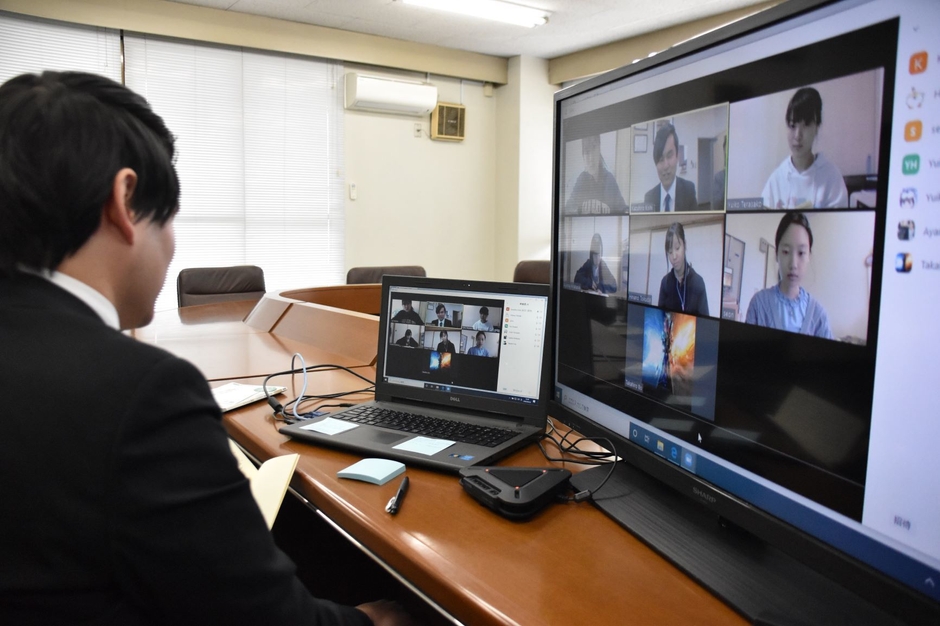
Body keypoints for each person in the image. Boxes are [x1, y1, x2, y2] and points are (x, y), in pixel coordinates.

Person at [0, 71, 411, 626]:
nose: (172, 243)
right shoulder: (140, 391)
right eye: (170, 218)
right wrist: (374, 620)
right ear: (124, 201)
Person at [745, 212, 832, 338]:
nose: (793, 264)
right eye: (786, 252)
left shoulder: (819, 316)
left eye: (801, 253)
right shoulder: (758, 304)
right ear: (777, 254)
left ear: (809, 256)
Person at [761, 87, 848, 210]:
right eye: (792, 126)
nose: (797, 136)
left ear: (817, 127)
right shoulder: (777, 179)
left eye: (806, 125)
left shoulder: (831, 177)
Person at [565, 134, 627, 214]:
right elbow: (568, 208)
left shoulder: (609, 178)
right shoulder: (581, 179)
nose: (591, 158)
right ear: (583, 155)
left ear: (599, 150)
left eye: (594, 148)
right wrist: (581, 209)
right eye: (587, 152)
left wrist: (609, 210)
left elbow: (624, 210)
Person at [657, 222, 709, 316]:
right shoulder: (665, 283)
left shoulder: (698, 282)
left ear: (685, 245)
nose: (674, 256)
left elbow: (705, 321)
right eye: (670, 252)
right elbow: (660, 316)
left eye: (677, 248)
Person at [644, 124, 697, 212]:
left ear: (677, 156)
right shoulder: (649, 198)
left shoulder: (689, 191)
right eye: (660, 159)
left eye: (669, 156)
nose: (666, 166)